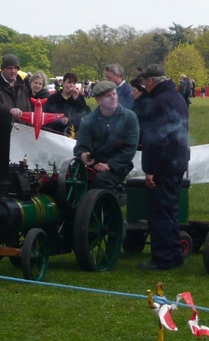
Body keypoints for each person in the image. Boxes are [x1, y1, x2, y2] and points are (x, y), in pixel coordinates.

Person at [133, 64, 190, 270]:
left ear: (150, 81)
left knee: (159, 213)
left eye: (144, 83)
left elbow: (157, 140)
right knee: (170, 212)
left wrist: (151, 170)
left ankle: (163, 258)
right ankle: (174, 255)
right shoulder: (177, 98)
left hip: (165, 165)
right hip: (177, 161)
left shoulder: (159, 103)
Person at [73, 81, 139, 191]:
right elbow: (81, 146)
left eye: (114, 94)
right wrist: (83, 155)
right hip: (94, 164)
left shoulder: (129, 117)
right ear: (98, 100)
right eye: (108, 96)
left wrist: (110, 165)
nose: (113, 98)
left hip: (119, 165)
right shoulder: (88, 121)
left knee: (100, 180)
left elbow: (130, 149)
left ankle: (109, 205)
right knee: (72, 179)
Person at [0, 54, 31, 196]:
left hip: (20, 137)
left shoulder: (22, 85)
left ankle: (14, 206)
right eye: (9, 68)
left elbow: (27, 107)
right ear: (2, 69)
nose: (13, 71)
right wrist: (9, 110)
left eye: (15, 68)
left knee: (19, 174)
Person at [129, 78, 152, 148]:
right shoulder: (138, 101)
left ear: (141, 91)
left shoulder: (146, 103)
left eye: (134, 90)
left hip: (142, 139)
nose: (132, 93)